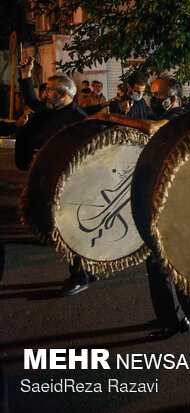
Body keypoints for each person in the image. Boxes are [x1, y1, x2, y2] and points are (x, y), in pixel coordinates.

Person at [93, 76, 190, 339]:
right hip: (173, 196)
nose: (153, 99)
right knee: (174, 259)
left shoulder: (177, 115)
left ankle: (173, 321)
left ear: (174, 98)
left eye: (158, 95)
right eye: (152, 94)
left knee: (158, 263)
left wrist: (110, 118)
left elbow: (152, 128)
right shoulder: (176, 113)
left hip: (171, 200)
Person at [17, 56, 97, 296]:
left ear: (63, 94)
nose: (44, 95)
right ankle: (88, 270)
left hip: (73, 185)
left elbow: (89, 155)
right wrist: (25, 75)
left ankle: (80, 276)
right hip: (55, 181)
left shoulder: (78, 120)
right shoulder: (52, 111)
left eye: (49, 91)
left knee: (72, 231)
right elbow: (31, 99)